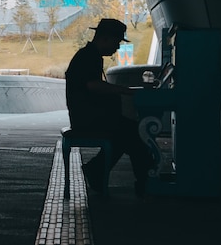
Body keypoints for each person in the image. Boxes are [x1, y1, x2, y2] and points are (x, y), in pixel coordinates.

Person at [65, 18, 154, 198]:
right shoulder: (89, 57)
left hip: (87, 116)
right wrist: (124, 91)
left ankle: (97, 170)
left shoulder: (89, 55)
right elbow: (92, 85)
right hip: (88, 118)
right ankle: (145, 183)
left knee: (127, 135)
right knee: (135, 135)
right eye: (117, 42)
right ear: (105, 38)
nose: (118, 47)